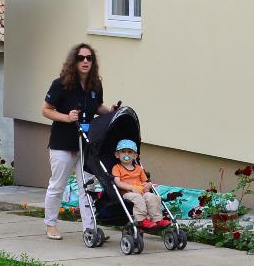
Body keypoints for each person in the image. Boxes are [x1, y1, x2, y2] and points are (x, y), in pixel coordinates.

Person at [42, 42, 115, 240]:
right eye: (81, 58)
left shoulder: (95, 85)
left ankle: (89, 229)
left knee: (88, 186)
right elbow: (46, 110)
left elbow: (97, 106)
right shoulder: (61, 84)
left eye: (89, 58)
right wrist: (67, 117)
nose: (85, 61)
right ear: (73, 61)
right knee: (58, 185)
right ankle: (50, 224)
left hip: (86, 144)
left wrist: (111, 112)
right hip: (63, 143)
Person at [111, 138, 167, 229]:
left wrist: (148, 185)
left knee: (152, 197)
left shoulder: (138, 169)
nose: (126, 154)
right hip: (127, 193)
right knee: (138, 198)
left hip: (141, 192)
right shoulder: (117, 168)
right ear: (117, 155)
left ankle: (157, 220)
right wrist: (131, 188)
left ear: (135, 156)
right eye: (123, 152)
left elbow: (146, 181)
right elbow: (118, 182)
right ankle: (141, 220)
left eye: (129, 152)